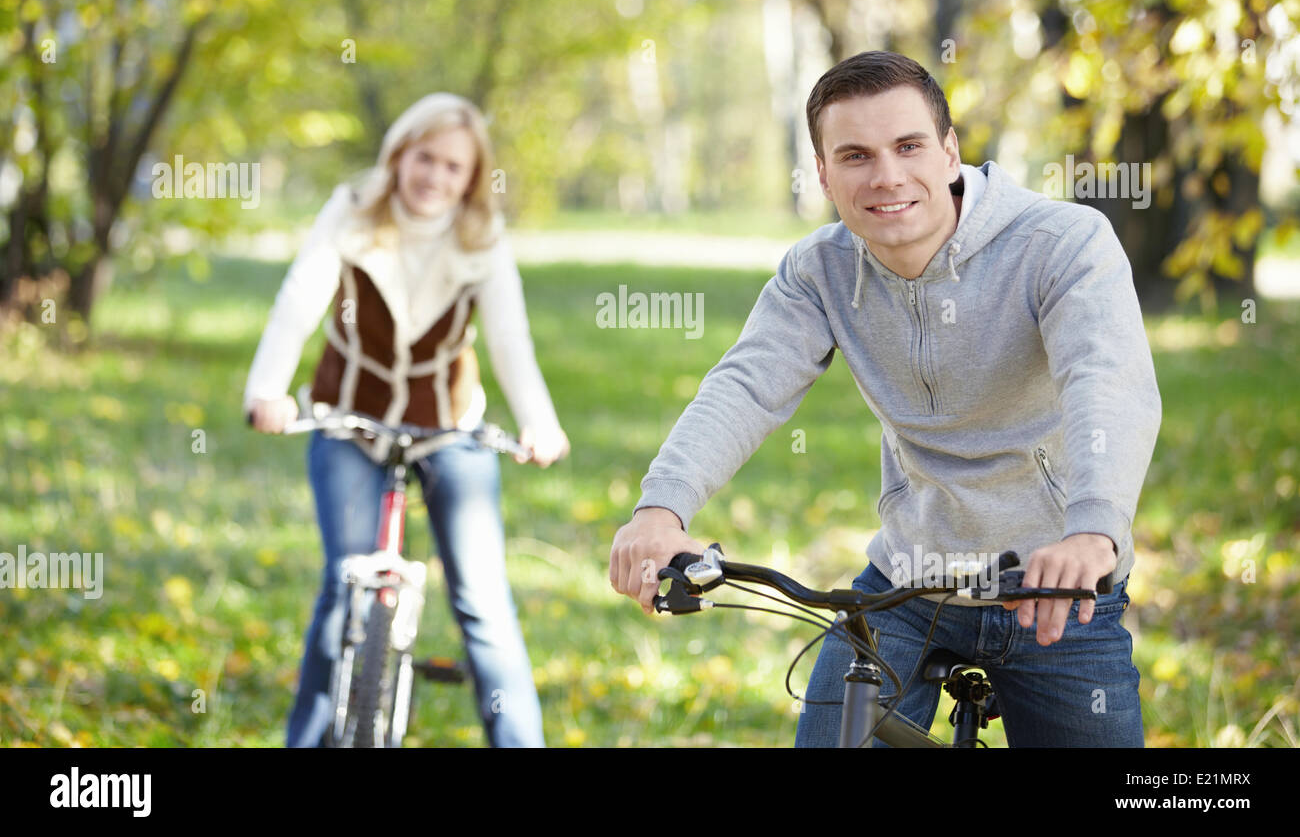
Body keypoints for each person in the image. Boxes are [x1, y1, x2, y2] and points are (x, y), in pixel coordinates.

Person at [609, 51, 1162, 747]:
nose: (887, 176)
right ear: (822, 173)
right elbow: (745, 385)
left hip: (1057, 589)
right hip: (907, 585)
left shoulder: (1062, 243)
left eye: (908, 146)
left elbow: (1104, 381)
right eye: (856, 155)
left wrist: (1092, 529)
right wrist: (661, 508)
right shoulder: (820, 272)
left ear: (950, 150)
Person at [245, 92, 569, 747]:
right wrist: (267, 390)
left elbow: (509, 339)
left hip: (449, 426)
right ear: (400, 155)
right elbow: (298, 299)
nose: (436, 178)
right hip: (348, 420)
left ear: (470, 179)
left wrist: (539, 422)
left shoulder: (482, 233)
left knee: (482, 603)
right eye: (426, 158)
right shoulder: (354, 209)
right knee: (342, 591)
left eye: (455, 167)